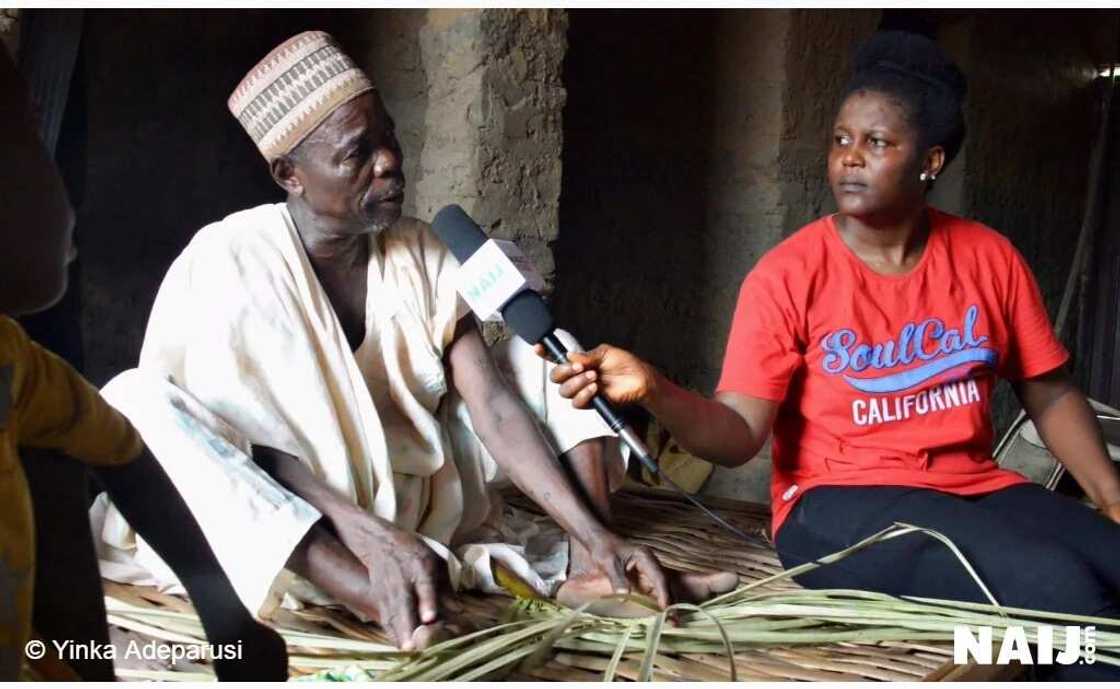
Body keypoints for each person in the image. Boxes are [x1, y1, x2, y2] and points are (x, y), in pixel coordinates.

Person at [91, 31, 733, 651]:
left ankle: (593, 563)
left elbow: (493, 405)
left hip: (412, 503)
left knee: (546, 350)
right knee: (134, 402)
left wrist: (594, 532)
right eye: (357, 153)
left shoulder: (422, 249)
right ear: (290, 174)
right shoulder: (228, 261)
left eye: (389, 137)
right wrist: (359, 531)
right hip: (301, 527)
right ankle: (372, 592)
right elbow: (248, 452)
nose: (389, 161)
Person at [546, 31, 1120, 678]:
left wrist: (1111, 497)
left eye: (876, 143)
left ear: (930, 161)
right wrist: (654, 386)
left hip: (973, 488)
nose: (850, 157)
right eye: (841, 139)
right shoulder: (789, 275)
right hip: (835, 507)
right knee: (1057, 585)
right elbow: (736, 436)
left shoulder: (988, 257)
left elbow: (1050, 389)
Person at [0, 45, 286, 680]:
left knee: (54, 459)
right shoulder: (232, 251)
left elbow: (120, 453)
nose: (62, 191)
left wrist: (225, 617)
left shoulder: (13, 365)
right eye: (27, 136)